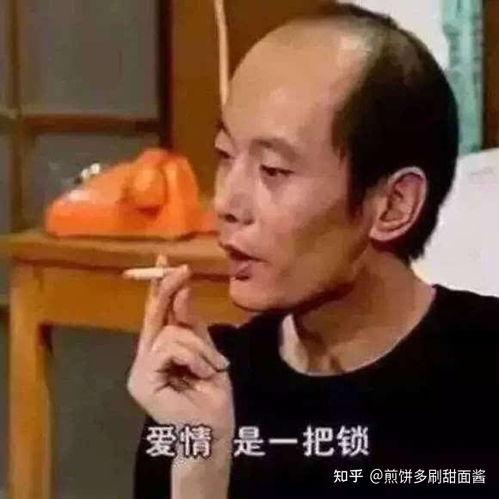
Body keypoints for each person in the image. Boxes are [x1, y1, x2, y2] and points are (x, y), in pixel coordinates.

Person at [128, 3, 499, 498]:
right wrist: (200, 470)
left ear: (393, 205)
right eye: (225, 155)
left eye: (273, 171)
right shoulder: (201, 387)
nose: (228, 203)